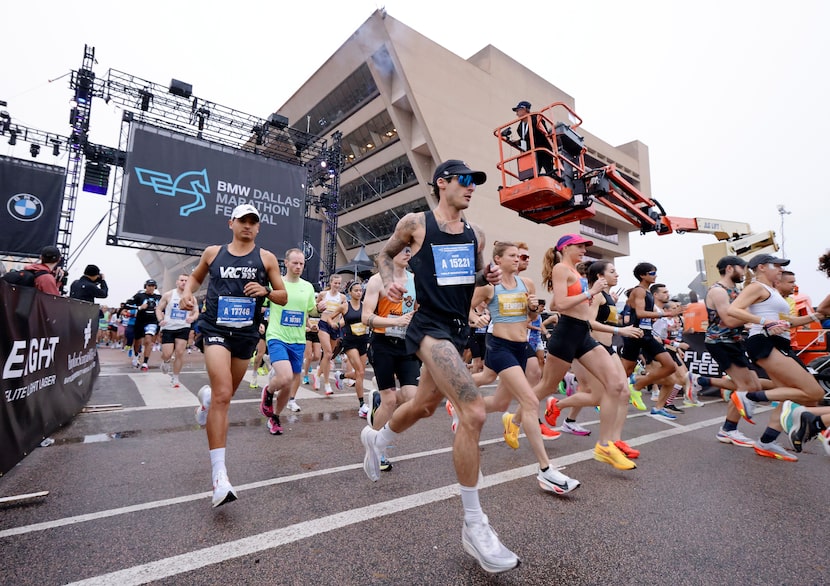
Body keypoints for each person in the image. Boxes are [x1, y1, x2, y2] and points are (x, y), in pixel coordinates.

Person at [359, 159, 519, 574]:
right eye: (465, 181)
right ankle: (473, 523)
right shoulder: (417, 223)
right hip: (427, 326)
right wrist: (391, 277)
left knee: (425, 405)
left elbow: (477, 274)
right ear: (442, 183)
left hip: (458, 329)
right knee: (474, 410)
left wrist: (491, 272)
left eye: (474, 183)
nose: (471, 188)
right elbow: (385, 255)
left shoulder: (475, 233)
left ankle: (377, 440)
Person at [180, 203, 287, 507]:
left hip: (245, 334)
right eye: (243, 221)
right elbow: (196, 278)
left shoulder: (266, 258)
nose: (248, 226)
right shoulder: (214, 253)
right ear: (231, 223)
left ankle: (206, 401)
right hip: (214, 328)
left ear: (258, 227)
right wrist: (188, 294)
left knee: (221, 395)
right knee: (224, 395)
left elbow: (283, 295)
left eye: (253, 222)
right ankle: (219, 477)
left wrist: (265, 292)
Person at [471, 241, 581, 494]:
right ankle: (546, 471)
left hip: (521, 347)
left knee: (499, 404)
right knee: (530, 402)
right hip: (499, 347)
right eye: (512, 255)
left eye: (519, 255)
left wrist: (532, 310)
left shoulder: (527, 285)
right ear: (498, 260)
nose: (518, 258)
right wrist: (477, 317)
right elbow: (468, 307)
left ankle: (462, 403)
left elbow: (531, 318)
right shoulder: (489, 287)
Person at [519, 239, 637, 471]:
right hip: (567, 334)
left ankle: (604, 445)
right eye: (579, 246)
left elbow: (554, 301)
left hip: (583, 333)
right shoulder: (561, 268)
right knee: (546, 386)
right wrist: (590, 293)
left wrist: (588, 295)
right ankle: (513, 420)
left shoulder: (575, 272)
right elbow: (560, 305)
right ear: (564, 249)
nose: (584, 250)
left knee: (615, 385)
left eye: (585, 247)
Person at [726, 253, 826, 462]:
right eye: (777, 266)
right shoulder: (756, 287)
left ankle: (766, 442)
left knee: (789, 396)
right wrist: (764, 321)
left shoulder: (772, 292)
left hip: (776, 341)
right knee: (813, 392)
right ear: (762, 267)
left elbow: (786, 321)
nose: (780, 269)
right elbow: (733, 309)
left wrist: (817, 316)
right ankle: (747, 397)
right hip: (765, 341)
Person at [362, 245, 418, 471]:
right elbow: (366, 317)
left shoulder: (415, 280)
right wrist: (394, 321)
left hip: (406, 344)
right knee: (390, 400)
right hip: (383, 343)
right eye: (403, 249)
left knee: (412, 400)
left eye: (409, 250)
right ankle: (377, 448)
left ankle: (378, 422)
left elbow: (418, 310)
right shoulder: (377, 281)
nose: (407, 253)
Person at [259, 248, 316, 435]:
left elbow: (309, 311)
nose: (298, 266)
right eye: (295, 263)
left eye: (301, 264)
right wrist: (260, 324)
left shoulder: (307, 287)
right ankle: (268, 392)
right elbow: (262, 305)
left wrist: (316, 316)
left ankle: (275, 417)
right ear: (286, 262)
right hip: (277, 336)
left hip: (298, 339)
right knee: (285, 377)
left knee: (288, 384)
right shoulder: (277, 283)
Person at [619, 263, 679, 420]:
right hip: (636, 335)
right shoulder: (638, 291)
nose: (655, 275)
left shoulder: (646, 293)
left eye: (655, 272)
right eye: (652, 273)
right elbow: (639, 313)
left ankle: (638, 386)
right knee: (625, 371)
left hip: (646, 335)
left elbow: (643, 317)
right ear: (642, 276)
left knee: (670, 368)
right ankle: (604, 398)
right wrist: (665, 315)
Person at [155, 274, 199, 388]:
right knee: (167, 354)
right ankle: (165, 361)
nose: (184, 282)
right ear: (177, 282)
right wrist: (160, 319)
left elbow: (196, 312)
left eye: (186, 280)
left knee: (179, 353)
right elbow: (159, 309)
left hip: (183, 327)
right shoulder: (169, 295)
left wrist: (192, 318)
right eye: (182, 280)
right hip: (168, 327)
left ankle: (175, 377)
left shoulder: (191, 297)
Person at [315, 274, 346, 396]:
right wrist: (318, 307)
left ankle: (318, 375)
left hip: (335, 326)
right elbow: (315, 308)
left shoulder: (342, 297)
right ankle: (327, 384)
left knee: (329, 356)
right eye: (335, 283)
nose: (337, 285)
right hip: (323, 324)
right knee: (327, 353)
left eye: (339, 283)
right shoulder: (323, 294)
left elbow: (345, 314)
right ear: (331, 283)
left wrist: (339, 324)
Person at [510, 101, 555, 177]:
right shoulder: (520, 128)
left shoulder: (536, 118)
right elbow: (525, 139)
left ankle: (553, 178)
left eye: (518, 110)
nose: (517, 113)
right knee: (533, 174)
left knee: (549, 170)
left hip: (543, 149)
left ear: (525, 109)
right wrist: (518, 142)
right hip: (532, 153)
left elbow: (544, 134)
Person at [128, 280, 162, 371]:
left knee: (148, 340)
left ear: (155, 287)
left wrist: (160, 310)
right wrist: (139, 307)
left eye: (153, 286)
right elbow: (127, 304)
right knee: (137, 342)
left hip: (152, 321)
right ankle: (136, 356)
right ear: (145, 286)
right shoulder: (139, 296)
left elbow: (165, 307)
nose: (151, 287)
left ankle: (145, 362)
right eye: (149, 285)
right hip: (140, 321)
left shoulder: (159, 297)